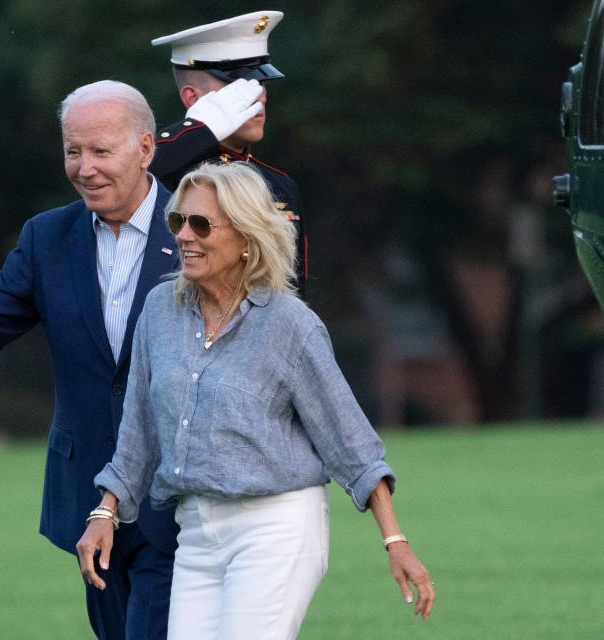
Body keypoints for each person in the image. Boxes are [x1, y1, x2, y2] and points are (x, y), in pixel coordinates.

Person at [76, 162, 435, 640]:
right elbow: (138, 433)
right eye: (178, 221)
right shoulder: (159, 310)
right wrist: (105, 512)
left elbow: (351, 446)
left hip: (276, 530)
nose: (184, 235)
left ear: (246, 237)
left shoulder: (291, 325)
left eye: (201, 224)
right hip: (197, 533)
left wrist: (396, 541)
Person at [0, 80, 180, 640]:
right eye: (72, 151)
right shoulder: (48, 238)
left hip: (177, 494)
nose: (85, 168)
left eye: (101, 151)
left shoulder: (197, 227)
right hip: (88, 496)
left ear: (146, 149)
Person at [149, 11, 310, 297]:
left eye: (260, 83)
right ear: (192, 98)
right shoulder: (169, 170)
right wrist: (199, 129)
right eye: (239, 85)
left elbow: (292, 294)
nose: (257, 95)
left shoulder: (279, 185)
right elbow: (131, 174)